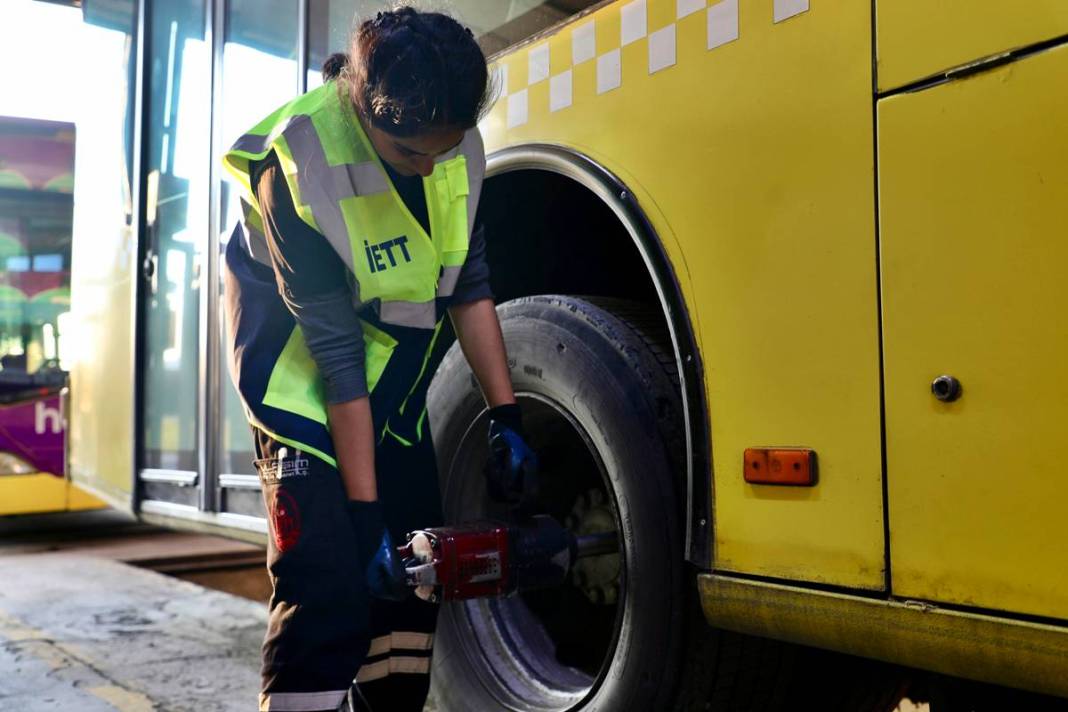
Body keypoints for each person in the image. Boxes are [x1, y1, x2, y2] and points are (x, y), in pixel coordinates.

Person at [220, 8, 537, 711]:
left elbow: (470, 284)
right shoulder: (298, 165)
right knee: (330, 580)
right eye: (411, 157)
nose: (432, 168)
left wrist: (506, 416)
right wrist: (366, 522)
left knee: (415, 573)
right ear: (367, 115)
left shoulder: (451, 138)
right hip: (301, 384)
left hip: (388, 387)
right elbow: (336, 362)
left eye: (444, 151)